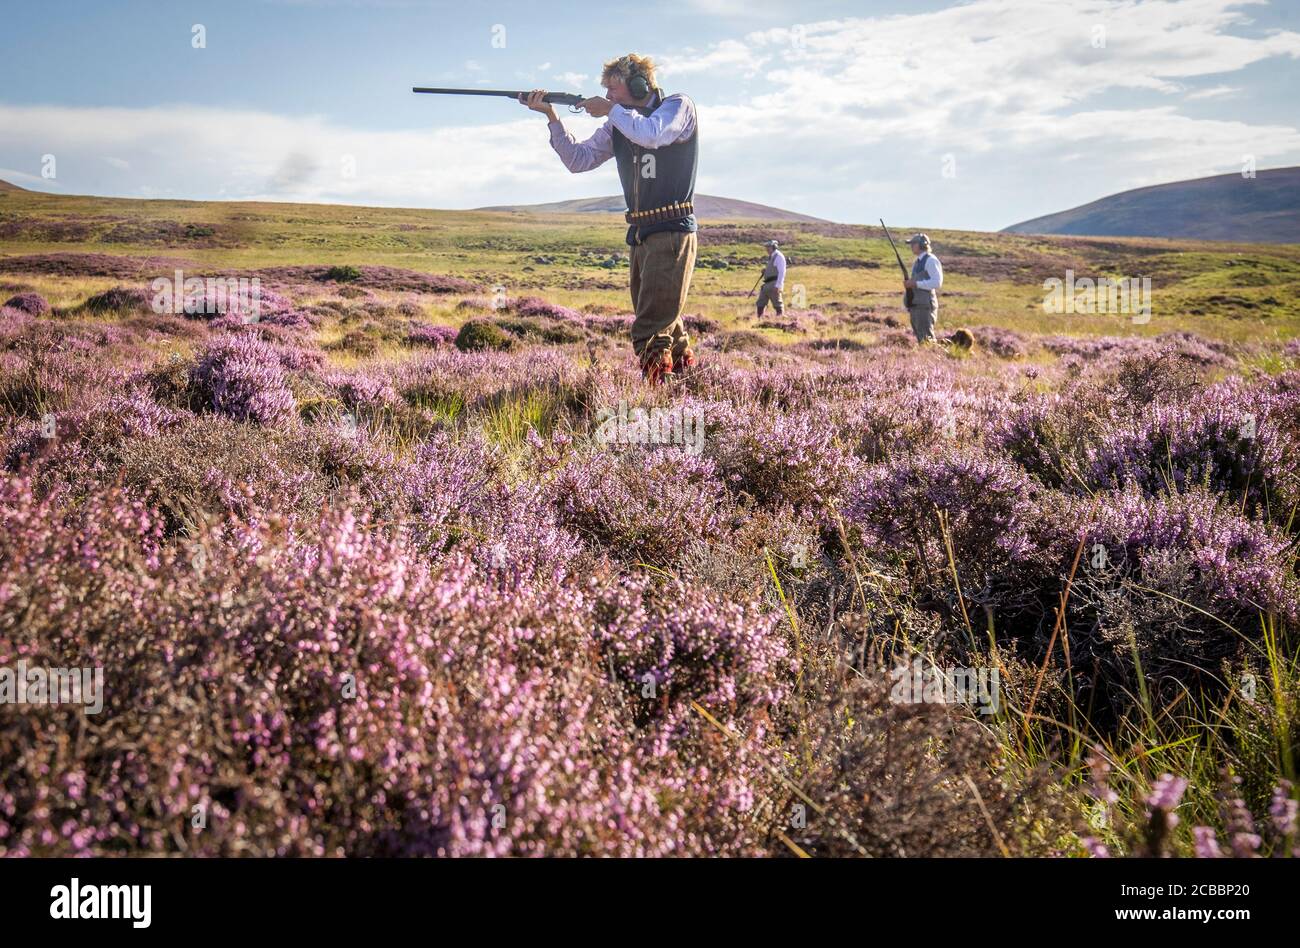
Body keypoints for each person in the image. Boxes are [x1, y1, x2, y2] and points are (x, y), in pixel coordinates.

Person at [521, 54, 698, 384]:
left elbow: (653, 134)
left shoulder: (677, 106)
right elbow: (579, 159)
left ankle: (660, 401)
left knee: (650, 328)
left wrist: (612, 111)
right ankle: (687, 391)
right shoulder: (619, 121)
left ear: (638, 85)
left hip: (671, 231)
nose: (609, 96)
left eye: (614, 89)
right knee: (665, 323)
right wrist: (551, 116)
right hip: (642, 233)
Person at [902, 233, 943, 343]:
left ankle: (932, 358)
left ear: (921, 244)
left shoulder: (931, 260)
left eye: (914, 243)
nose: (911, 246)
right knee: (922, 339)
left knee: (927, 340)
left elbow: (937, 282)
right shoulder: (918, 261)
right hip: (917, 306)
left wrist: (915, 284)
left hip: (925, 306)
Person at [756, 239, 786, 317]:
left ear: (774, 247)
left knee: (777, 304)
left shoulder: (779, 256)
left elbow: (782, 272)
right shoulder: (771, 257)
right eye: (766, 247)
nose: (767, 249)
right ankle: (759, 320)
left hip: (774, 284)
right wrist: (765, 271)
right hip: (767, 284)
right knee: (760, 303)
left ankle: (780, 319)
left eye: (768, 247)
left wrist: (778, 286)